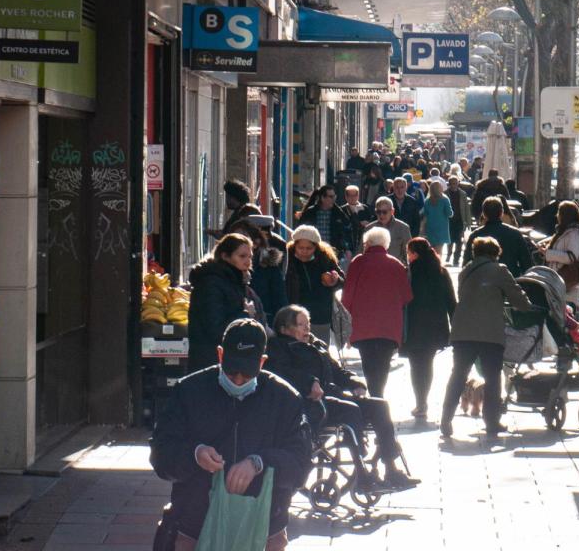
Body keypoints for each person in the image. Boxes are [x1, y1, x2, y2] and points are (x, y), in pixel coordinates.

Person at [150, 318, 312, 551]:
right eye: (231, 370)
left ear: (262, 363)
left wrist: (260, 463)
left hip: (264, 529)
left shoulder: (286, 399)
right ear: (220, 355)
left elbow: (300, 465)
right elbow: (161, 454)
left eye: (246, 374)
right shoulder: (188, 392)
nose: (237, 379)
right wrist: (195, 454)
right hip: (195, 525)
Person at [265, 305, 420, 490]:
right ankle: (362, 476)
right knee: (350, 409)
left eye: (308, 324)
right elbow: (283, 373)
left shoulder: (316, 345)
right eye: (301, 325)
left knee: (380, 406)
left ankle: (392, 469)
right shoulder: (279, 348)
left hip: (331, 396)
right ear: (284, 329)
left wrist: (355, 382)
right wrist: (309, 383)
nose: (307, 328)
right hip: (308, 402)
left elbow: (337, 371)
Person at [441, 237, 532, 439]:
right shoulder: (499, 270)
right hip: (489, 332)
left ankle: (446, 419)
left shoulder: (466, 270)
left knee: (458, 375)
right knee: (492, 378)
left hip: (462, 331)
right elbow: (519, 299)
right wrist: (527, 307)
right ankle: (491, 422)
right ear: (495, 253)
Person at [342, 227, 413, 397]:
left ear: (367, 244)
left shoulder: (358, 262)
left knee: (369, 364)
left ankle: (375, 399)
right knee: (383, 366)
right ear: (386, 245)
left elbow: (347, 297)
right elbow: (406, 297)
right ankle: (377, 397)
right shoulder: (396, 264)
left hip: (363, 326)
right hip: (389, 328)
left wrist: (346, 326)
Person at [187, 234, 264, 372]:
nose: (248, 261)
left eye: (250, 257)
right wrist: (245, 314)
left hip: (230, 361)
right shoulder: (211, 284)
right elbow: (215, 329)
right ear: (225, 256)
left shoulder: (237, 282)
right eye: (242, 256)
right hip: (210, 361)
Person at [403, 238, 456, 419]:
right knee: (427, 364)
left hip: (413, 328)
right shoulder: (441, 272)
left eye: (408, 253)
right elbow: (451, 301)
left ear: (415, 254)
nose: (407, 256)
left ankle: (421, 402)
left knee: (416, 366)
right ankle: (422, 400)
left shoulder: (409, 273)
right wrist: (454, 325)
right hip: (436, 327)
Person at [285, 226, 344, 345]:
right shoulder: (287, 260)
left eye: (309, 248)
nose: (304, 251)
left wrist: (334, 280)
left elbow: (342, 281)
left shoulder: (325, 259)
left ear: (316, 247)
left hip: (320, 315)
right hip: (295, 315)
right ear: (294, 245)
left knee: (319, 349)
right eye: (300, 248)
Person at [539, 201, 579, 309]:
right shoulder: (567, 230)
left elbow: (571, 257)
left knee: (566, 314)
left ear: (565, 215)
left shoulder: (574, 233)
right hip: (561, 280)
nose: (557, 215)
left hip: (568, 280)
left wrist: (548, 253)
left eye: (559, 212)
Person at [463, 197, 533, 277]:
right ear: (501, 213)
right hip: (510, 280)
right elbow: (526, 263)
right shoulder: (515, 234)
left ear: (484, 214)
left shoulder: (475, 236)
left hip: (482, 282)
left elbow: (466, 264)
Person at [297, 185, 351, 257]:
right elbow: (301, 231)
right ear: (322, 198)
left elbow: (345, 231)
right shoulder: (310, 213)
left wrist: (347, 248)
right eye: (331, 197)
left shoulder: (338, 213)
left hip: (333, 252)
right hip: (314, 252)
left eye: (334, 196)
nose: (333, 199)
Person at [363, 196, 411, 264]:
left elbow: (408, 255)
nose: (381, 215)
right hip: (374, 270)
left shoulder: (403, 228)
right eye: (378, 212)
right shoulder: (369, 229)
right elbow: (362, 253)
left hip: (395, 270)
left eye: (384, 212)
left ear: (392, 211)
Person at [421, 179, 454, 257]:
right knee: (439, 252)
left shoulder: (427, 201)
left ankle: (431, 265)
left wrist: (422, 228)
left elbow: (425, 215)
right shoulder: (445, 200)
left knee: (431, 251)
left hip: (430, 228)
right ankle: (438, 266)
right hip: (442, 229)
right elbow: (450, 214)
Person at [341, 185, 374, 258]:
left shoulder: (365, 208)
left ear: (358, 195)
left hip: (363, 242)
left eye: (354, 195)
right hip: (350, 244)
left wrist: (368, 224)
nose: (352, 198)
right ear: (346, 196)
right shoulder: (342, 210)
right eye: (350, 195)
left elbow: (372, 223)